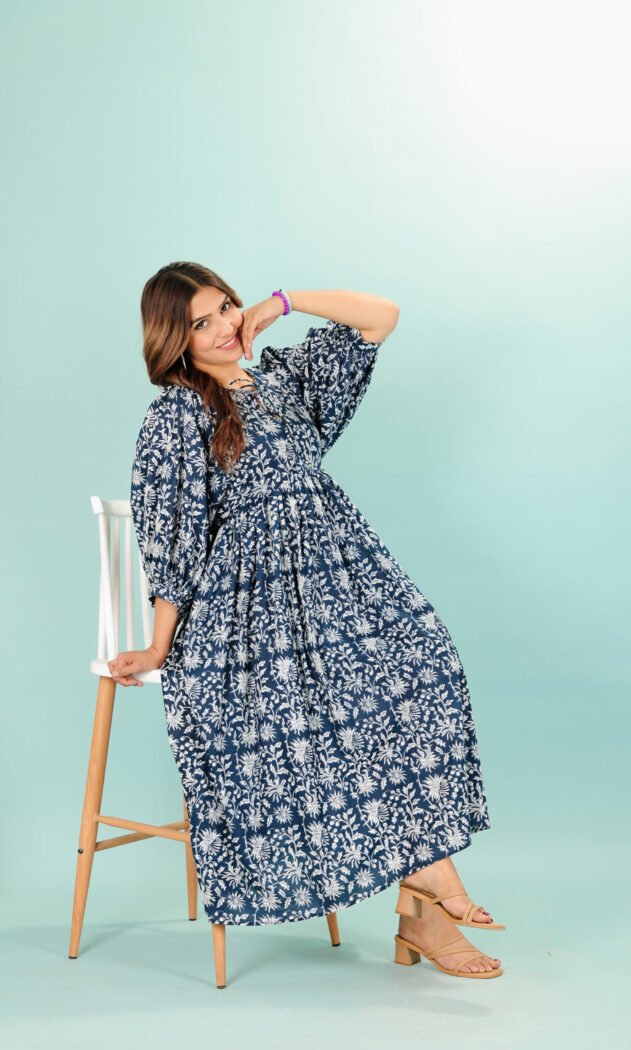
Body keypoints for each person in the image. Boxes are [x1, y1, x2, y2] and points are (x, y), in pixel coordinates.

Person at [108, 261, 504, 979]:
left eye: (226, 307)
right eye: (201, 322)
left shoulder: (285, 381)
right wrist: (158, 645)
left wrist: (282, 303)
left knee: (422, 671)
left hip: (342, 585)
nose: (225, 327)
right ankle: (433, 901)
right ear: (175, 339)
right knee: (348, 710)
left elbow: (379, 315)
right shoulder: (177, 414)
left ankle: (425, 901)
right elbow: (172, 540)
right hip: (251, 616)